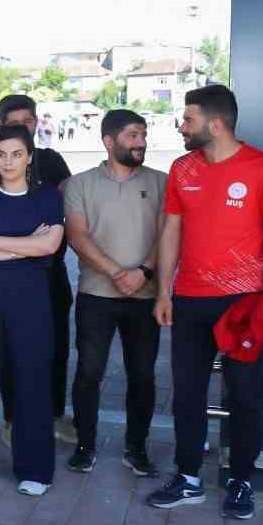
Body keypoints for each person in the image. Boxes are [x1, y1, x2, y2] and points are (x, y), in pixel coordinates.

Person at [149, 85, 263, 520]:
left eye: (187, 118)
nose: (181, 125)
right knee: (186, 395)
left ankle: (242, 479)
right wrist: (162, 290)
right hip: (190, 299)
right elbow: (170, 232)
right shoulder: (182, 169)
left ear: (215, 124)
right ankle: (188, 477)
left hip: (244, 302)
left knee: (246, 395)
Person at [0, 124, 66, 495]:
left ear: (29, 156)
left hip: (30, 300)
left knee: (32, 382)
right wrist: (23, 244)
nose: (8, 161)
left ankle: (34, 469)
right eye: (1, 154)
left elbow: (49, 246)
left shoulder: (47, 197)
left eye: (16, 154)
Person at [63, 109, 166, 475]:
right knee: (89, 372)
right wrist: (116, 273)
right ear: (109, 141)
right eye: (132, 135)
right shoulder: (80, 184)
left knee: (143, 376)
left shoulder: (161, 182)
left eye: (143, 135)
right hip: (96, 296)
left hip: (145, 295)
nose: (141, 142)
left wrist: (143, 272)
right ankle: (85, 446)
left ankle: (136, 449)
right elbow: (77, 235)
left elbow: (168, 236)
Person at [0, 94, 76, 444]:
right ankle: (13, 419)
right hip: (6, 274)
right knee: (11, 349)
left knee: (56, 346)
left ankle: (55, 415)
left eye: (29, 122)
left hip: (49, 272)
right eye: (15, 124)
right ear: (2, 126)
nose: (24, 129)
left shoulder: (52, 161)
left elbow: (65, 210)